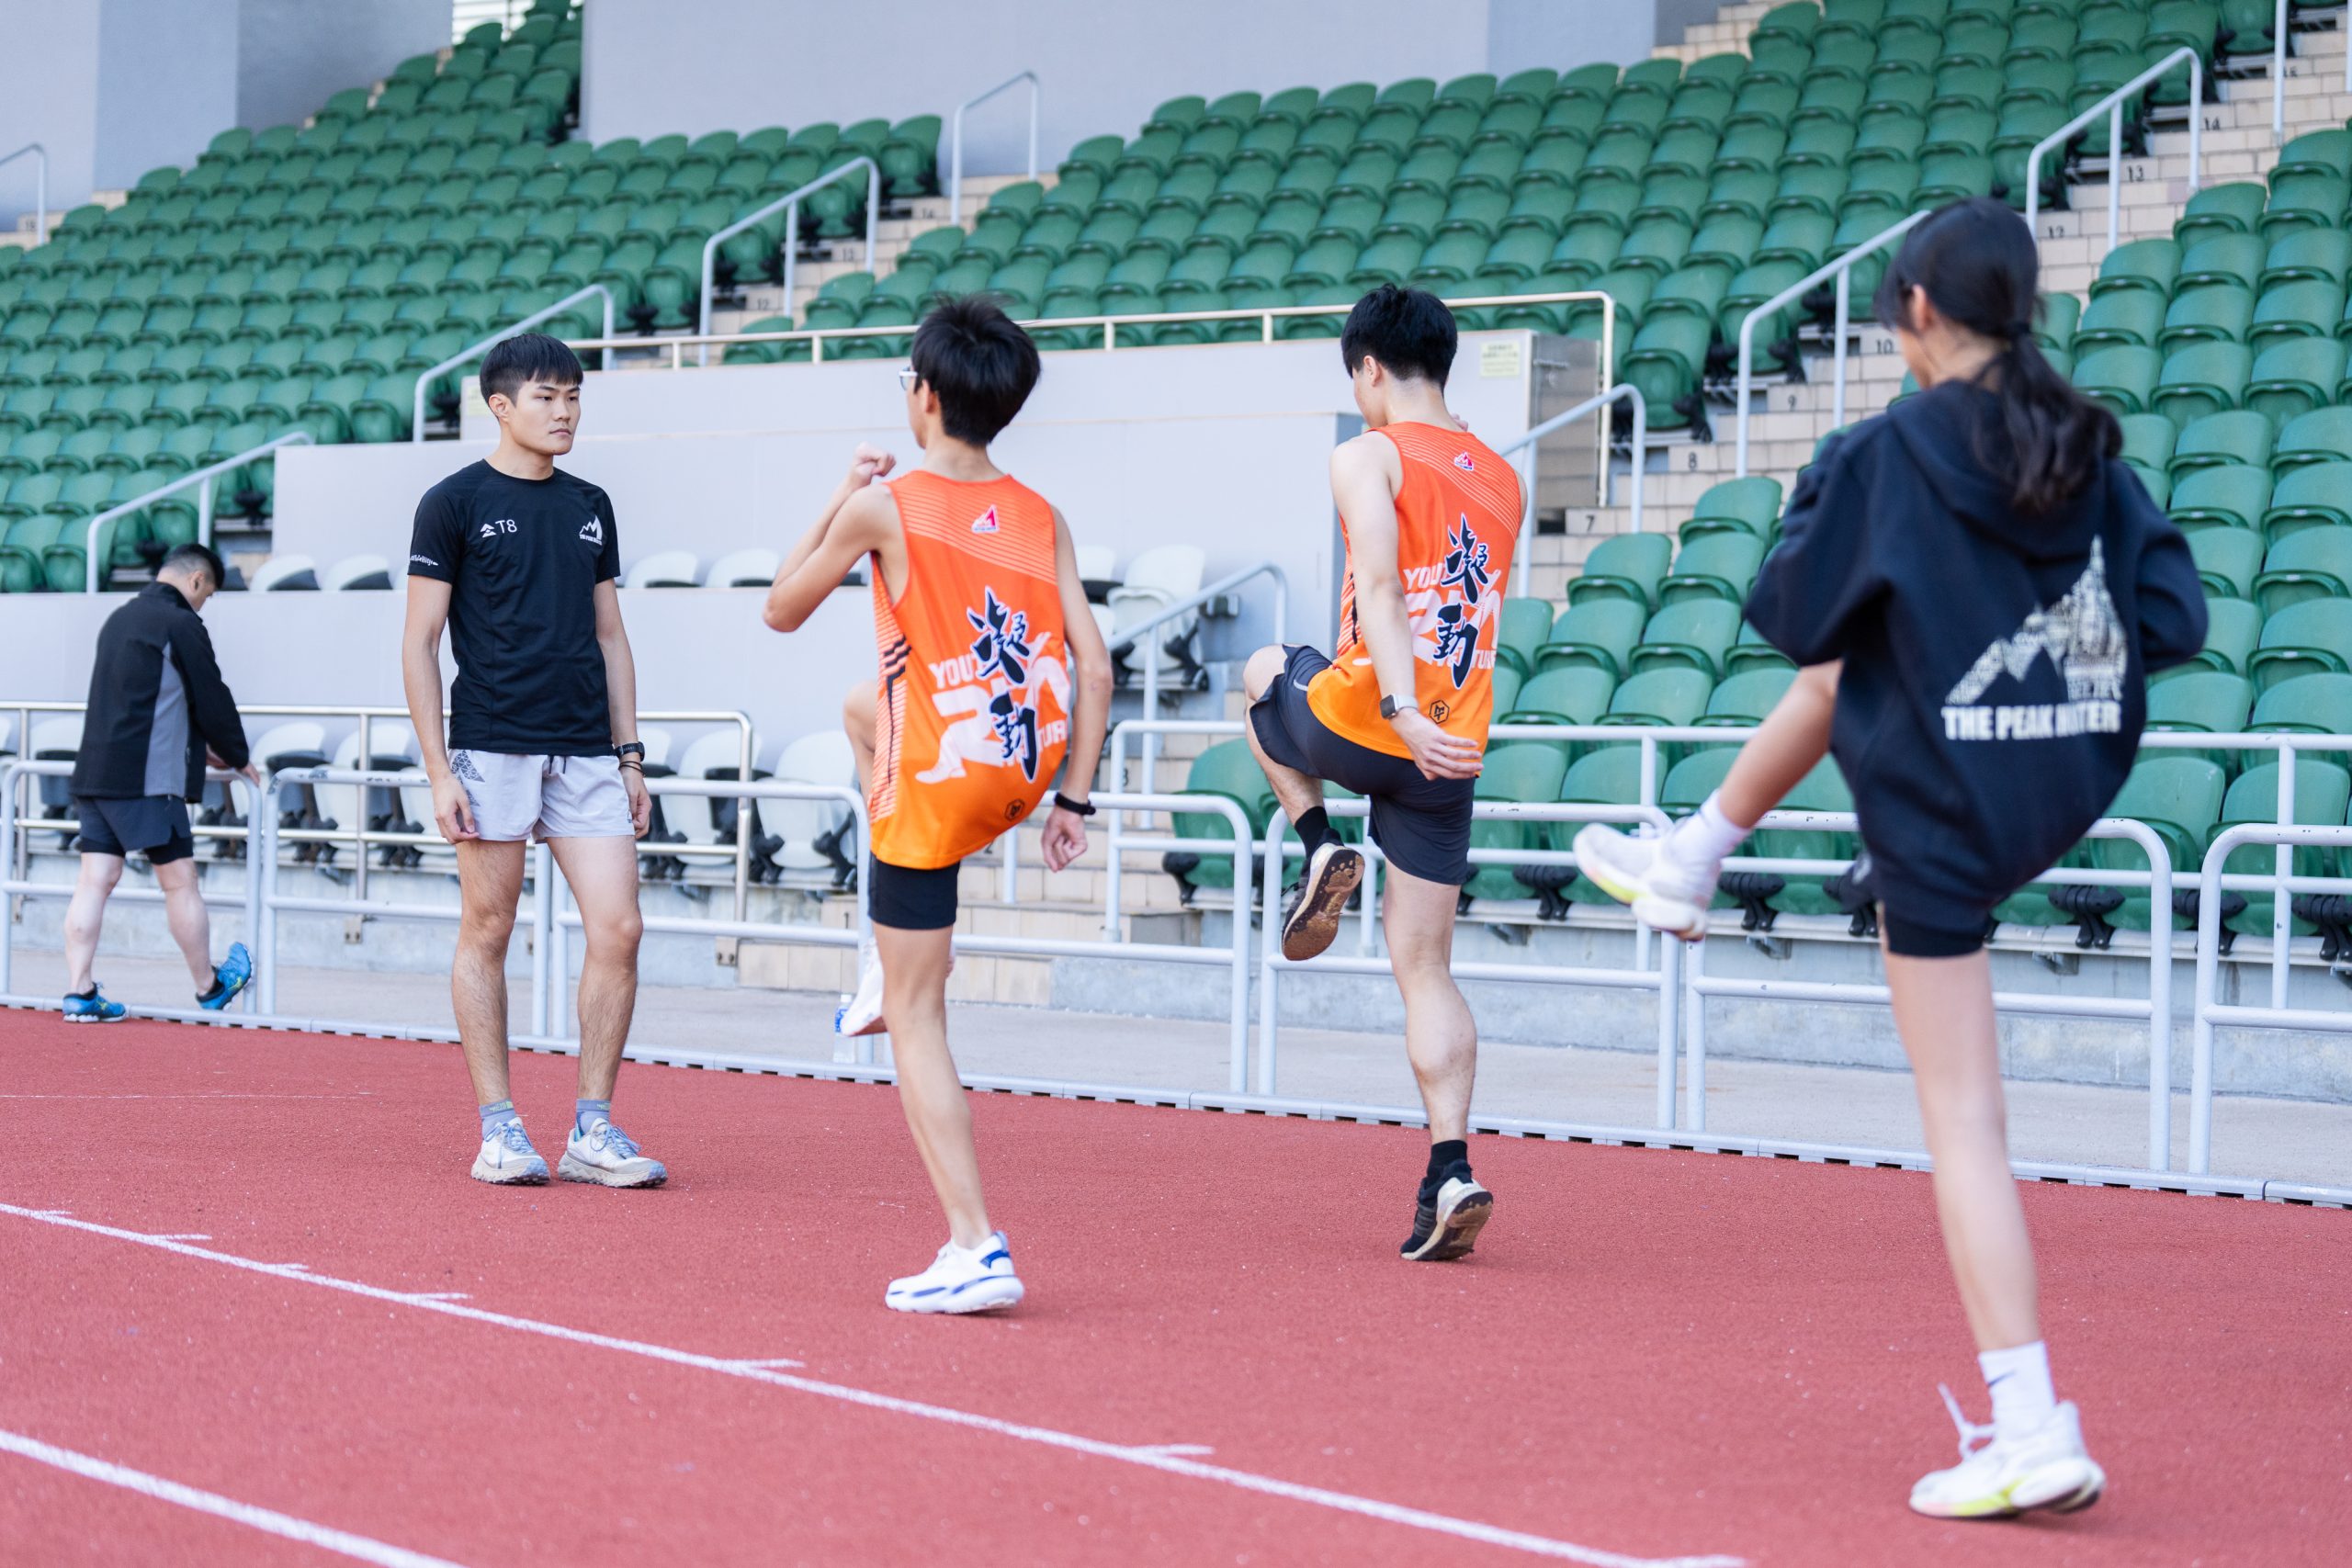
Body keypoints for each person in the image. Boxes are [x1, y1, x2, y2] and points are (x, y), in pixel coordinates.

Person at [1572, 198, 2208, 1520]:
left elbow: (1794, 612)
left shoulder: (1887, 451)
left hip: (1937, 817)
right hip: (2061, 780)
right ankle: (1692, 857)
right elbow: (2173, 615)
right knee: (1851, 671)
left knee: (1964, 1124)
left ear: (1917, 309)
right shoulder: (2087, 445)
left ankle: (2029, 1424)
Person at [763, 297, 1113, 1314]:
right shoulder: (1042, 514)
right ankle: (888, 956)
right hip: (1022, 770)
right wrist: (1074, 801)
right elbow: (1095, 668)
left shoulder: (888, 505)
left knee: (915, 1017)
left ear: (922, 396)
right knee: (859, 707)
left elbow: (780, 607)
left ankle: (974, 1245)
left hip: (935, 780)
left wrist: (843, 493)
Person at [1239, 283, 1522, 1263]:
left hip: (1366, 720)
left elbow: (1381, 586)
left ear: (1368, 369)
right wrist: (1426, 719)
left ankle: (1319, 844)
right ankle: (1451, 1166)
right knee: (1427, 969)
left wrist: (1396, 705)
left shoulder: (1367, 454)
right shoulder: (1503, 477)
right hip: (1451, 751)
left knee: (1261, 671)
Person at [401, 332, 665, 1190]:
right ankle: (499, 1128)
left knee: (620, 929)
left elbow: (611, 636)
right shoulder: (453, 502)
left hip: (587, 750)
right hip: (492, 742)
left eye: (574, 396)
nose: (565, 412)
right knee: (489, 929)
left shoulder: (591, 502)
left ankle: (592, 1126)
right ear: (501, 406)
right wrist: (439, 770)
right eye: (547, 397)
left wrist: (631, 755)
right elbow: (420, 641)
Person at [62, 543, 257, 1021]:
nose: (203, 605)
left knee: (94, 880)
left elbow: (145, 701)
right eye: (207, 595)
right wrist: (238, 756)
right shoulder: (181, 623)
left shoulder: (119, 618)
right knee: (180, 882)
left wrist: (196, 749)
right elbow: (211, 697)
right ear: (196, 580)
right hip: (147, 780)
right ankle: (209, 986)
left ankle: (79, 991)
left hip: (95, 773)